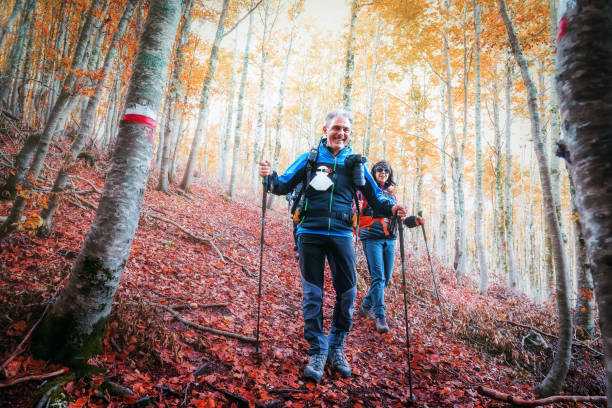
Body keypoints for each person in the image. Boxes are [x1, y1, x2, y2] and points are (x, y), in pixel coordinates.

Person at [258, 109, 408, 383]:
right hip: (310, 233)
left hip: (341, 234)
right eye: (336, 128)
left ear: (350, 134)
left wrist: (394, 207)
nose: (341, 133)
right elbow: (280, 186)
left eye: (346, 130)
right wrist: (269, 175)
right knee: (312, 295)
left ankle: (336, 346)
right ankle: (318, 349)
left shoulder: (357, 165)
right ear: (325, 130)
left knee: (348, 293)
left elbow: (376, 200)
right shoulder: (310, 159)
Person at [356, 160, 424, 333]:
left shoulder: (391, 193)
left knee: (385, 280)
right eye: (380, 170)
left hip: (389, 239)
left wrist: (412, 221)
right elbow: (358, 213)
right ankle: (380, 316)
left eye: (386, 170)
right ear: (373, 172)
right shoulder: (366, 190)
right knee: (378, 278)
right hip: (372, 237)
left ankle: (365, 306)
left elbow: (398, 218)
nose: (383, 173)